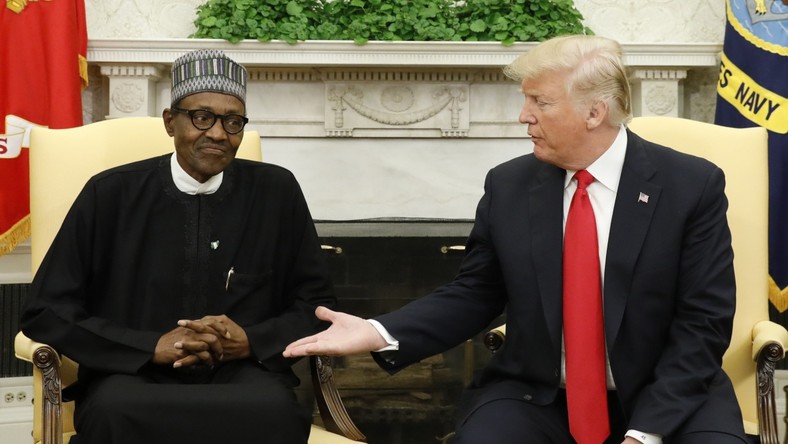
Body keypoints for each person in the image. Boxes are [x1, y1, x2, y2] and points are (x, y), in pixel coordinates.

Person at [283, 35, 747, 444]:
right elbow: (475, 292)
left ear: (594, 111)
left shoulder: (690, 185)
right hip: (541, 394)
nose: (524, 116)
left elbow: (702, 322)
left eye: (539, 102)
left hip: (668, 391)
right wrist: (379, 331)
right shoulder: (510, 185)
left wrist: (644, 434)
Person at [21, 49, 335, 444]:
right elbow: (45, 311)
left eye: (232, 121)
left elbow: (318, 305)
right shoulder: (110, 193)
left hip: (241, 373)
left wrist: (250, 341)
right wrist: (148, 345)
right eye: (202, 117)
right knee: (114, 412)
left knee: (276, 411)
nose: (218, 134)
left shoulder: (276, 191)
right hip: (131, 371)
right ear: (171, 122)